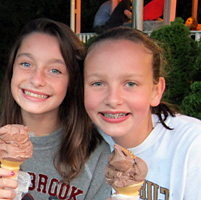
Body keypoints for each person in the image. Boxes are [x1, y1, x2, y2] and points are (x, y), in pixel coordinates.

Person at [0, 18, 111, 200]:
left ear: (72, 81)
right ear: (12, 69)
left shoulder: (97, 155)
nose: (37, 79)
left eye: (55, 70)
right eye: (26, 64)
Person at [84, 27, 201, 199]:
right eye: (98, 83)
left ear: (156, 91)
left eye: (130, 84)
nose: (113, 99)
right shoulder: (79, 142)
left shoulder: (192, 145)